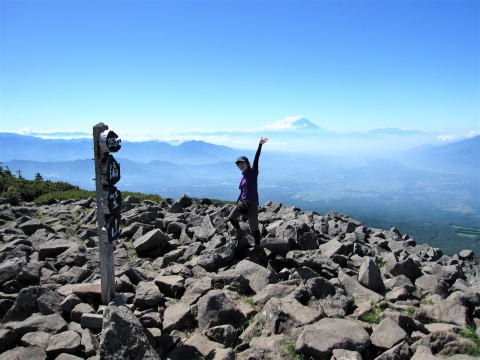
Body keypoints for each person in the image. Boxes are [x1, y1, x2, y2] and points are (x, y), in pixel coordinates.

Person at [226, 136, 269, 249]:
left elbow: (256, 158)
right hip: (243, 202)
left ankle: (258, 246)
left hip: (253, 203)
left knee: (254, 227)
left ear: (247, 163)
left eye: (242, 163)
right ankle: (240, 232)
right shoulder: (243, 178)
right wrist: (236, 204)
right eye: (238, 164)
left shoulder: (253, 172)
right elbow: (241, 192)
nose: (240, 166)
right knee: (231, 218)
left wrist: (260, 145)